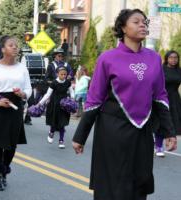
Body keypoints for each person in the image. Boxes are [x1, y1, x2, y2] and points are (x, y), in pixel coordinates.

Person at [72, 9, 177, 200]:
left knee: (140, 181)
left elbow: (160, 97)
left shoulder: (153, 59)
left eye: (144, 22)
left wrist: (170, 131)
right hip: (112, 131)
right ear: (122, 28)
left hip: (143, 131)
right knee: (113, 184)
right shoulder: (107, 58)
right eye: (136, 22)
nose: (142, 25)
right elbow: (94, 100)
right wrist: (80, 136)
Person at [0, 35, 32, 191]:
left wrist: (23, 95)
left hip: (15, 108)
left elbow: (28, 89)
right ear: (3, 49)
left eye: (16, 45)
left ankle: (4, 170)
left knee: (11, 146)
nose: (15, 47)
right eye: (11, 45)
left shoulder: (22, 68)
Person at [38, 66, 74, 149]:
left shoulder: (68, 82)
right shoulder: (54, 83)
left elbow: (72, 91)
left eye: (65, 74)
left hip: (64, 105)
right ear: (57, 74)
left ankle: (61, 141)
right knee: (54, 121)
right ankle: (51, 132)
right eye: (61, 74)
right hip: (54, 104)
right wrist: (40, 103)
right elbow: (48, 94)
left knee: (62, 123)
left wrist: (72, 99)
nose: (63, 76)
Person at [154, 50, 181, 157]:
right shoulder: (161, 69)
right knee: (160, 122)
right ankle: (159, 146)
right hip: (162, 97)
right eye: (171, 57)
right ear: (166, 58)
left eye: (176, 58)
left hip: (174, 99)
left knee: (173, 122)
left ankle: (166, 140)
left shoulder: (179, 71)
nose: (173, 60)